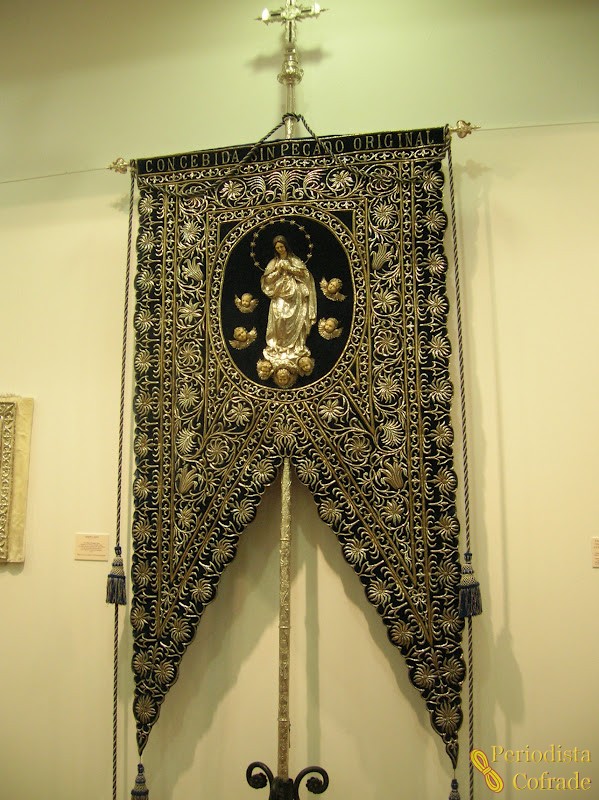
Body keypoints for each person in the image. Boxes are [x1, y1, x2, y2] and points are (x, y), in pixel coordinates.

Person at [261, 235, 317, 363]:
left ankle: (295, 347)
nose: (280, 249)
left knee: (295, 320)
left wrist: (289, 268)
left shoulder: (294, 260)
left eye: (282, 246)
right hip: (279, 293)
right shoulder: (273, 263)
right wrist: (278, 272)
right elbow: (267, 280)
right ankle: (279, 346)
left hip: (295, 295)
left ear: (286, 246)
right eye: (277, 248)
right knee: (280, 318)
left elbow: (304, 274)